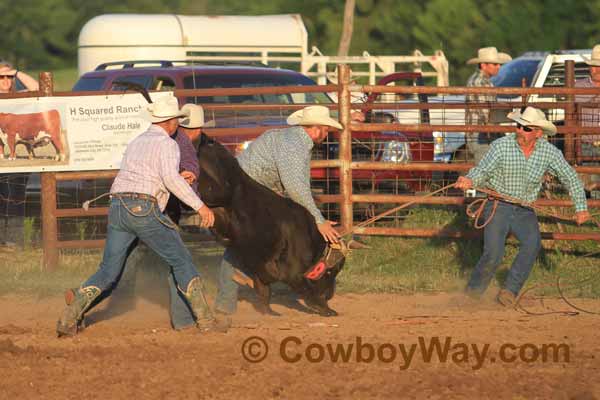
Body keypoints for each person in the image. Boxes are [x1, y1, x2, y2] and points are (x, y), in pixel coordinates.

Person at [56, 95, 223, 337]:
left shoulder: (136, 141)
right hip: (143, 206)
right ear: (169, 122)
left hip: (118, 206)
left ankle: (68, 319)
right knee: (181, 260)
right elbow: (170, 178)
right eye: (176, 119)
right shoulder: (167, 144)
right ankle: (206, 321)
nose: (177, 123)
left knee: (108, 271)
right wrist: (201, 207)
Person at [169, 105, 343, 328]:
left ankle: (230, 299)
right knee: (255, 242)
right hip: (249, 195)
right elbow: (296, 188)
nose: (326, 134)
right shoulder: (295, 144)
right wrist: (318, 220)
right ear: (315, 128)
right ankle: (257, 291)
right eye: (325, 130)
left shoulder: (290, 138)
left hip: (249, 192)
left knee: (245, 242)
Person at [455, 106, 590, 307]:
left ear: (538, 133)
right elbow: (483, 170)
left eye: (526, 128)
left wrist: (581, 207)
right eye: (518, 126)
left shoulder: (549, 153)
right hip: (498, 205)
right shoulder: (501, 146)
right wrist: (469, 180)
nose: (520, 130)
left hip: (524, 209)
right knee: (493, 253)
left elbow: (570, 177)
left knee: (532, 244)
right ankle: (472, 294)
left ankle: (509, 290)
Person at [0, 61, 38, 245]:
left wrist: (16, 72)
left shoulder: (19, 97)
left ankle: (13, 241)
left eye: (9, 76)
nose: (6, 80)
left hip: (19, 159)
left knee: (15, 197)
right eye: (1, 77)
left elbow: (36, 87)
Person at [465, 47, 511, 163]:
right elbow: (486, 112)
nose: (498, 67)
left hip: (484, 133)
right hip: (482, 134)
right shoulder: (479, 82)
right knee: (485, 170)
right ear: (484, 65)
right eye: (495, 64)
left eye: (499, 64)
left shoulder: (484, 81)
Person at [575, 44, 600, 193]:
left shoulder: (576, 87)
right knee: (588, 188)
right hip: (585, 143)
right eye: (594, 66)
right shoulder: (577, 87)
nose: (597, 70)